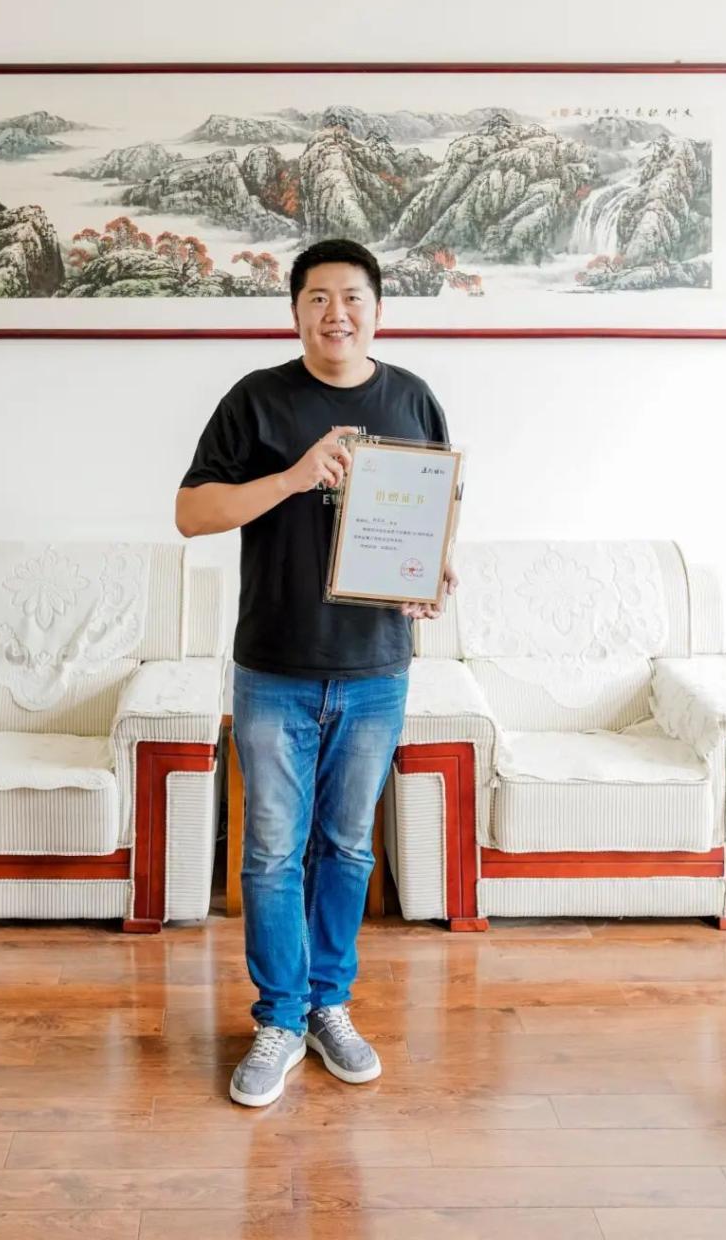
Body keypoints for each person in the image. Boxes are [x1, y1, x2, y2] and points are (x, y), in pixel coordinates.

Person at [175, 237, 455, 1108]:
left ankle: (330, 1005)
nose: (337, 313)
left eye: (352, 297)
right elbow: (191, 513)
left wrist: (435, 570)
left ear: (378, 310)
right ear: (295, 310)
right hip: (274, 665)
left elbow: (435, 511)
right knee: (269, 854)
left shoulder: (412, 398)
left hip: (375, 668)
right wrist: (294, 476)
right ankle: (279, 1018)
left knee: (347, 847)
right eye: (318, 298)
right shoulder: (256, 400)